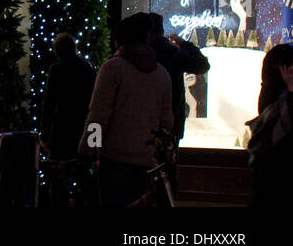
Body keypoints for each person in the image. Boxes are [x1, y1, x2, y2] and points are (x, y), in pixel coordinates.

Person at [80, 12, 173, 207]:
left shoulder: (113, 68)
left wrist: (88, 149)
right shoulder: (162, 74)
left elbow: (98, 115)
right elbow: (166, 122)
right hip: (146, 163)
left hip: (113, 161)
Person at [148, 12, 209, 146]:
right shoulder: (173, 53)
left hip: (144, 121)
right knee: (168, 160)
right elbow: (203, 65)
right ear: (161, 30)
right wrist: (184, 44)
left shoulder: (140, 54)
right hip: (172, 121)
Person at [251, 44, 293, 207]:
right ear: (281, 67)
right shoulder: (276, 95)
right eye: (292, 63)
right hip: (276, 165)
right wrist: (291, 89)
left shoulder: (274, 91)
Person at [40, 33, 95, 160]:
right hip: (82, 125)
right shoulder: (87, 68)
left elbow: (49, 103)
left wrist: (45, 135)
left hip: (62, 127)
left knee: (57, 169)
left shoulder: (56, 69)